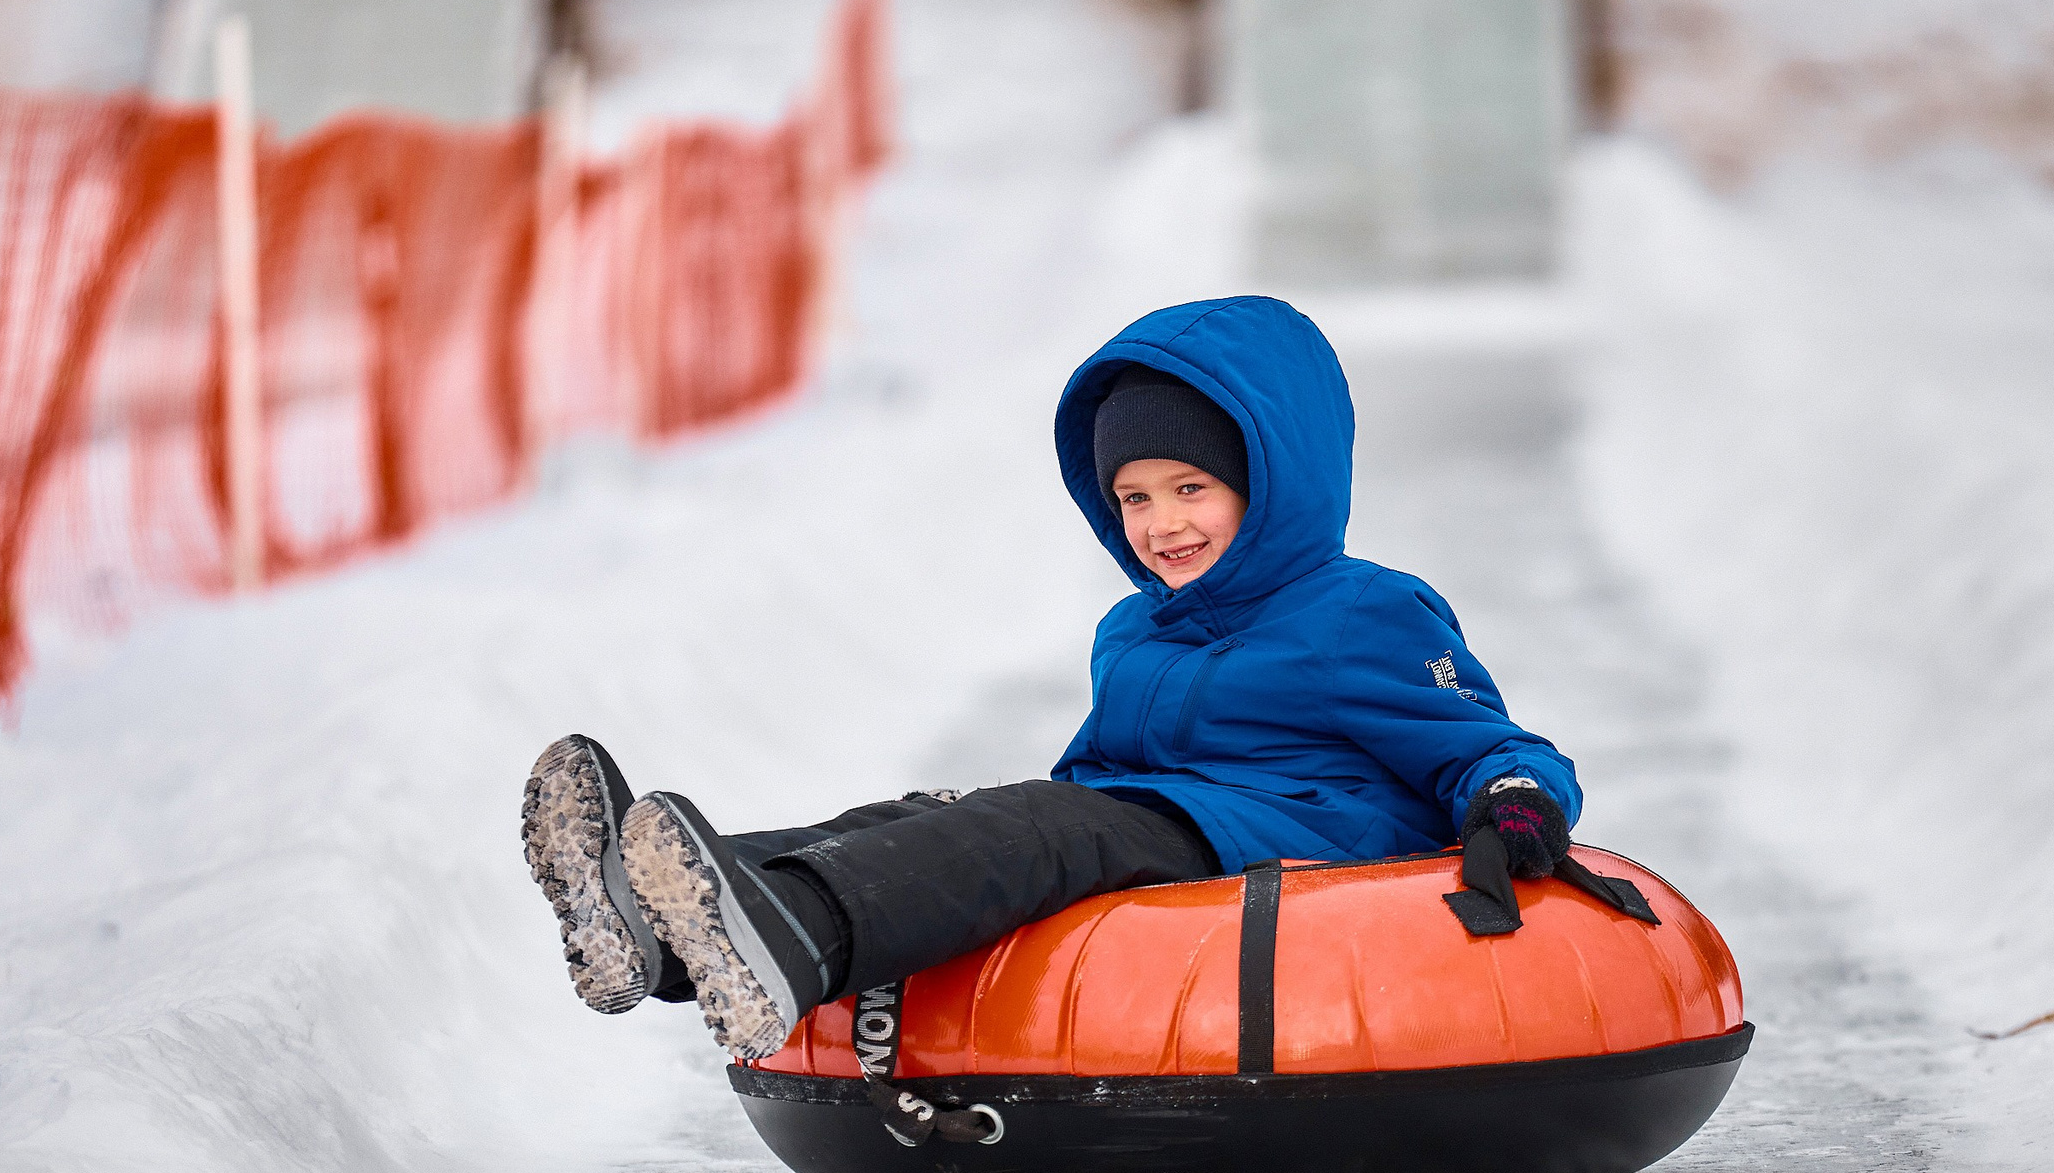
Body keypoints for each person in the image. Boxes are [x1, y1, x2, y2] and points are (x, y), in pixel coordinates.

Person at [520, 295, 1584, 1061]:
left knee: (1043, 830)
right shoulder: (1137, 628)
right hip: (1161, 824)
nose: (1160, 525)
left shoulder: (1362, 611)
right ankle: (654, 929)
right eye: (1131, 497)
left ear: (1273, 481)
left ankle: (786, 938)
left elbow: (1485, 744)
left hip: (1291, 840)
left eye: (1190, 487)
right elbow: (1107, 771)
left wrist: (1516, 805)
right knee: (923, 817)